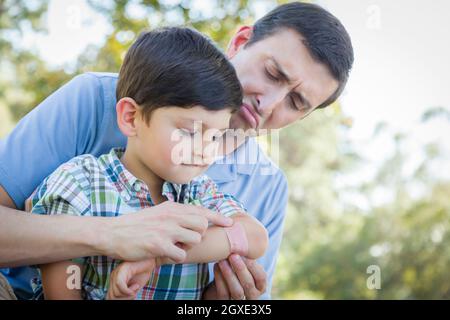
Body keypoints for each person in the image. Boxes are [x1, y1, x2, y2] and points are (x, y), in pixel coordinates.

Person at [0, 2, 354, 300]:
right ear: (241, 42)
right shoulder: (95, 100)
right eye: (272, 73)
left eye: (295, 102)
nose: (269, 103)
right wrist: (111, 235)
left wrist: (215, 299)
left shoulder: (266, 187)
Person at [26, 27, 268, 300]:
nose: (204, 150)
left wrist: (158, 257)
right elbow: (62, 293)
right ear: (131, 117)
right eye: (189, 131)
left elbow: (254, 236)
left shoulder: (200, 192)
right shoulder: (79, 184)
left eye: (215, 136)